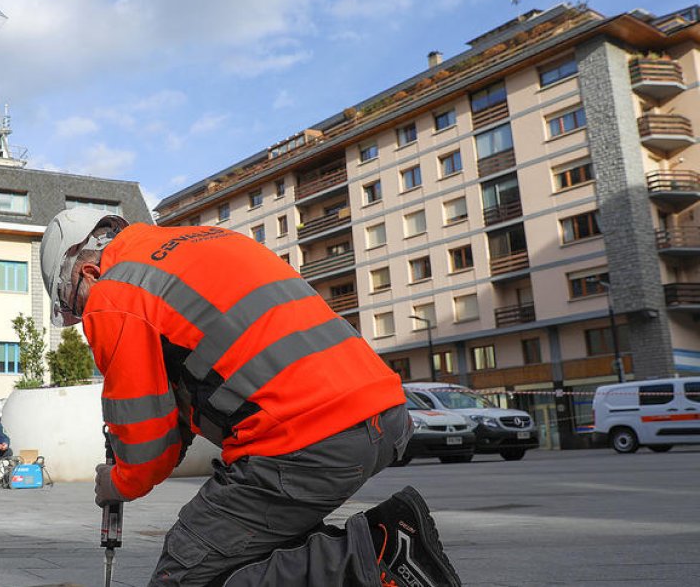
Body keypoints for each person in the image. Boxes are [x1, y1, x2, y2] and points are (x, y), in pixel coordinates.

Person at [39, 208, 461, 587]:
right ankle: (378, 550)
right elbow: (220, 366)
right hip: (381, 413)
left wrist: (115, 483)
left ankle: (377, 555)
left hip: (307, 436)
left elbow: (149, 455)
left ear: (89, 272)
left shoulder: (115, 291)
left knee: (187, 571)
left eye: (75, 306)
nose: (82, 321)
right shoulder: (205, 240)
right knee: (252, 548)